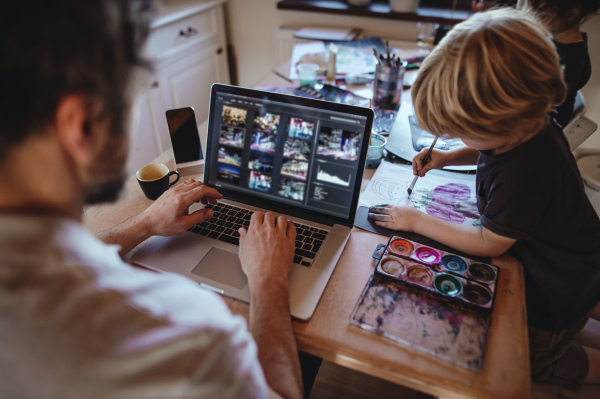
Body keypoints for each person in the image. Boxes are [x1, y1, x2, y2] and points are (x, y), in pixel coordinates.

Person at [0, 1, 304, 398]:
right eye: (133, 99)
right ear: (82, 125)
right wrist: (268, 280)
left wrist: (144, 224)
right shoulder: (192, 337)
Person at [368, 8, 600, 388]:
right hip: (578, 259)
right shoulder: (529, 124)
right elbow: (487, 149)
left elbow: (491, 241)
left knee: (530, 360)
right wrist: (449, 155)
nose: (458, 138)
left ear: (499, 124)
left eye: (462, 132)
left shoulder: (525, 171)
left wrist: (415, 220)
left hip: (555, 287)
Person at [520, 0, 600, 127]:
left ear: (571, 14)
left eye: (542, 15)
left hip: (538, 120)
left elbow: (563, 105)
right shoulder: (555, 38)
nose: (535, 18)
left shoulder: (571, 57)